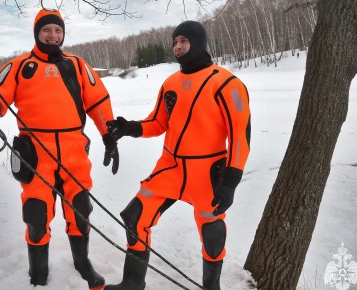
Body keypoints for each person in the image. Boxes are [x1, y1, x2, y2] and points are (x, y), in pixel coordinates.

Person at [0, 9, 118, 290]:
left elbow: (99, 101)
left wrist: (109, 136)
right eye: (47, 30)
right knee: (36, 214)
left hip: (73, 152)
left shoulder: (77, 65)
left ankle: (83, 264)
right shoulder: (19, 66)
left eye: (57, 30)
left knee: (80, 211)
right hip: (35, 153)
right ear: (36, 33)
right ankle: (38, 273)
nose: (52, 35)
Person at [104, 20, 250, 290]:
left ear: (198, 43)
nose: (178, 47)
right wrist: (129, 128)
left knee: (212, 235)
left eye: (183, 41)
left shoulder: (228, 84)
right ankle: (132, 283)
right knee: (135, 217)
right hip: (170, 169)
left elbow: (240, 138)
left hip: (207, 175)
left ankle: (212, 287)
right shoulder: (170, 82)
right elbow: (157, 123)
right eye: (175, 42)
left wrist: (230, 182)